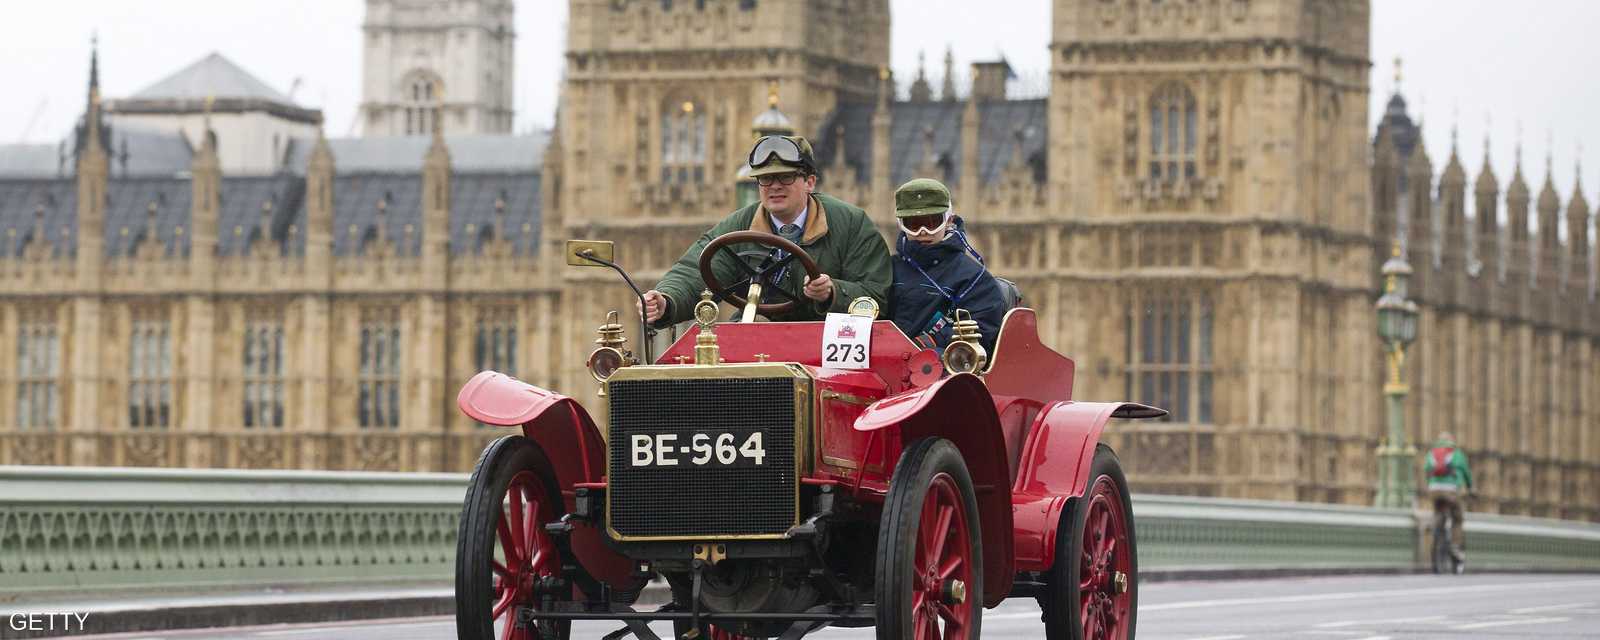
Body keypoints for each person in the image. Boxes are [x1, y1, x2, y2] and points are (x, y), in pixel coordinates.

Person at [639, 135, 892, 327]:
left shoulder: (850, 223)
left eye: (786, 178)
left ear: (810, 182)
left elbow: (876, 296)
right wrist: (666, 300)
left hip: (827, 343)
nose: (774, 187)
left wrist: (831, 293)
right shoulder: (739, 226)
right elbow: (695, 271)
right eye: (766, 179)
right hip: (760, 338)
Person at [887, 178, 1007, 355]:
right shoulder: (887, 269)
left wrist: (924, 351)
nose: (922, 232)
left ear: (949, 220)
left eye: (931, 223)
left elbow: (978, 333)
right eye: (913, 224)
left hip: (940, 373)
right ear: (901, 224)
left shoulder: (974, 278)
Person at [1425, 431, 1474, 561]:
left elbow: (1426, 470)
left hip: (1434, 488)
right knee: (1457, 519)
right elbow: (1466, 473)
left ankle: (1434, 525)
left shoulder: (1431, 453)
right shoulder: (1457, 454)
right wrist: (1470, 487)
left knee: (1437, 510)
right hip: (1451, 489)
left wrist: (1430, 485)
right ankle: (1455, 547)